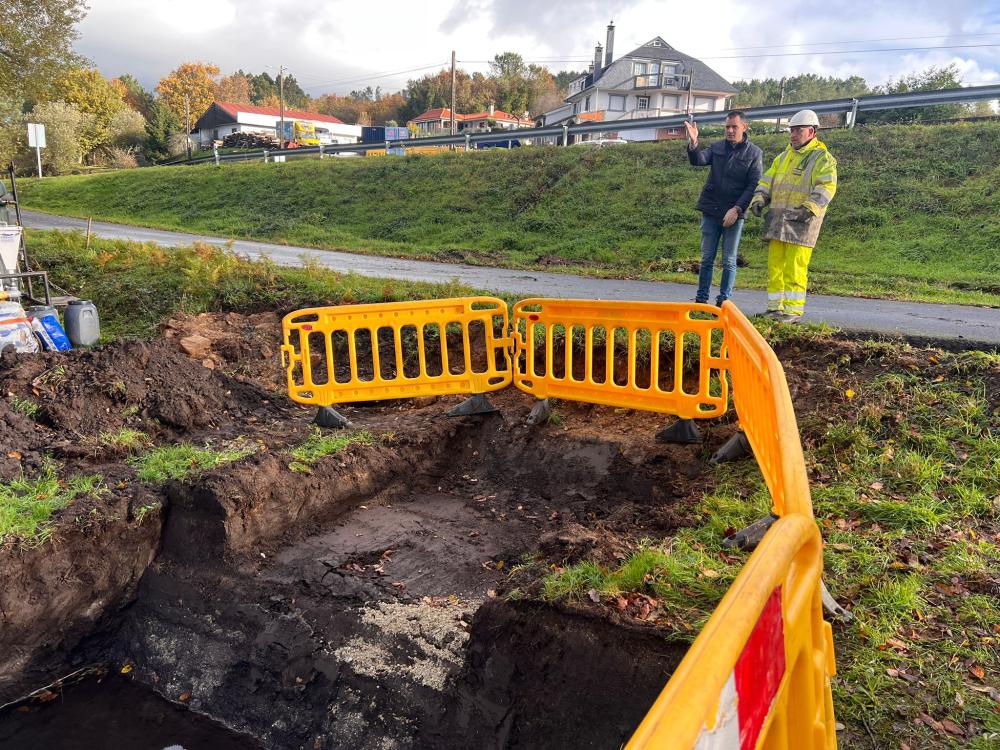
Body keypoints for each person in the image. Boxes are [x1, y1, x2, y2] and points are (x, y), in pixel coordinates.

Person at [749, 109, 838, 322]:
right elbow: (767, 181)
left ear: (812, 132)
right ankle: (775, 308)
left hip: (801, 222)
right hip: (778, 221)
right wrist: (759, 198)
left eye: (799, 130)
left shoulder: (822, 158)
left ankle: (793, 311)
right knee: (776, 266)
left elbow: (826, 186)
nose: (794, 134)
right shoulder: (783, 157)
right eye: (792, 130)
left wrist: (810, 207)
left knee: (795, 267)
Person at [684, 111, 763, 307]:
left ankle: (723, 303)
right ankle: (701, 301)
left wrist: (737, 209)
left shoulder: (754, 153)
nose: (730, 130)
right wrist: (694, 143)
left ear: (744, 127)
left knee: (728, 260)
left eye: (734, 126)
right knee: (707, 258)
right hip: (711, 210)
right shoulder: (717, 147)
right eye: (727, 126)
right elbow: (698, 160)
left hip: (735, 214)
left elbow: (753, 185)